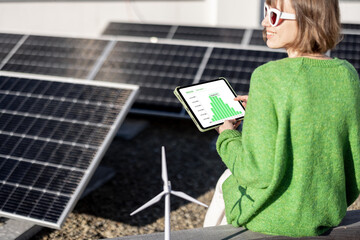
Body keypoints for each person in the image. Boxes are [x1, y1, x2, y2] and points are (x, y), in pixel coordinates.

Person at [203, 0, 360, 237]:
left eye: (274, 15)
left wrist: (226, 135)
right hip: (326, 211)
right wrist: (264, 107)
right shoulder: (347, 74)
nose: (264, 22)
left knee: (226, 181)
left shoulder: (268, 77)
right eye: (265, 12)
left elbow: (254, 172)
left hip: (272, 216)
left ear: (309, 19)